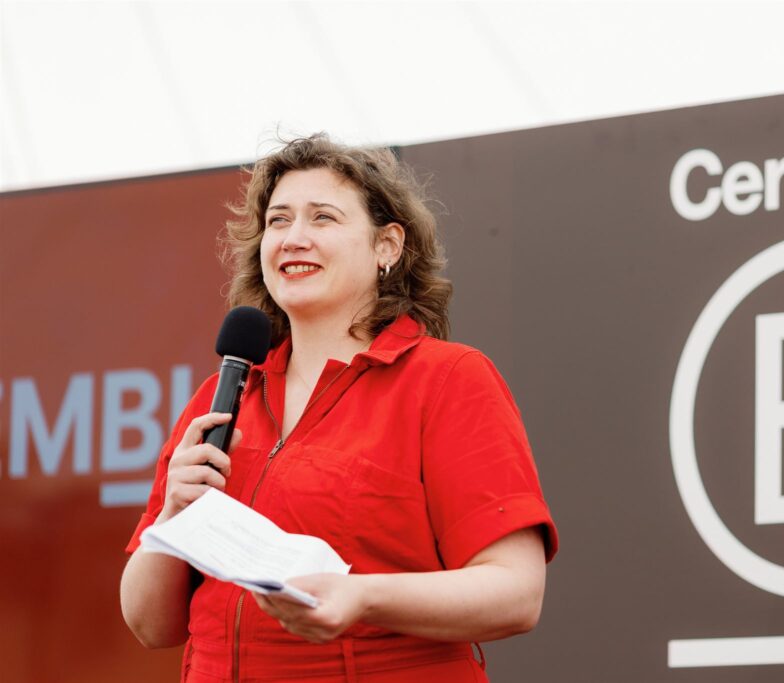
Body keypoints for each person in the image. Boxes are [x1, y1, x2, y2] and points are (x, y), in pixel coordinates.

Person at [119, 134, 558, 683]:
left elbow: (516, 593)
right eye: (279, 221)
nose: (293, 238)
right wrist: (173, 517)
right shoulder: (218, 400)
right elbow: (149, 625)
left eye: (322, 218)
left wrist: (362, 597)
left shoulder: (446, 379)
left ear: (387, 247)